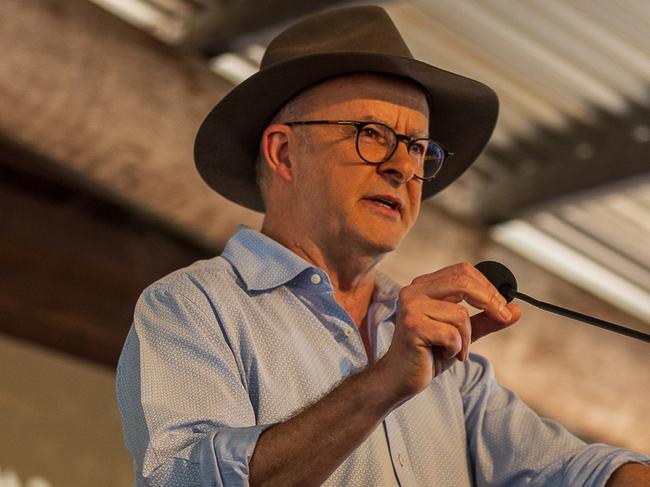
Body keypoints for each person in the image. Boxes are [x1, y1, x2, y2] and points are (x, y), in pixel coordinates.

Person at [116, 6, 650, 486]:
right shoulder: (192, 307)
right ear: (284, 154)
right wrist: (383, 384)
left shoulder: (443, 351)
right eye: (370, 133)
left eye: (418, 147)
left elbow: (570, 472)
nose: (403, 166)